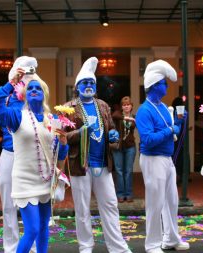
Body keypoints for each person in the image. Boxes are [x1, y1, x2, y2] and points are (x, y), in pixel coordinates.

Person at [0, 69, 68, 253]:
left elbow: (59, 154)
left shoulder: (52, 119)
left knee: (42, 229)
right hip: (24, 182)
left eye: (38, 88)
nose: (34, 90)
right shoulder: (17, 116)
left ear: (44, 93)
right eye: (30, 88)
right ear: (24, 94)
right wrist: (11, 83)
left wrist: (63, 143)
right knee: (31, 229)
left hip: (45, 181)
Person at [63, 57, 132, 253]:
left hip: (103, 164)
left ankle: (117, 247)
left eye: (91, 83)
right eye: (85, 83)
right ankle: (85, 247)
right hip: (80, 166)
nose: (88, 86)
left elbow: (111, 132)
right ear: (77, 86)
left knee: (110, 205)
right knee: (82, 209)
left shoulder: (103, 105)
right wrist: (83, 130)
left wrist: (113, 135)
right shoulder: (69, 107)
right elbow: (63, 137)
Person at [0, 56, 37, 253]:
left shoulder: (36, 96)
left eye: (29, 74)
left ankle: (30, 246)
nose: (26, 79)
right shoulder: (4, 97)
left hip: (31, 156)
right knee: (8, 206)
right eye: (21, 75)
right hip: (9, 154)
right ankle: (11, 247)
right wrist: (9, 85)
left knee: (32, 204)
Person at [135, 60, 189, 253]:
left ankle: (171, 239)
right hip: (152, 159)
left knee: (171, 201)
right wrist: (170, 130)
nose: (167, 86)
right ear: (154, 86)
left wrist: (180, 123)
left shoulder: (164, 107)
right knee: (155, 202)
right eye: (164, 83)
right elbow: (148, 139)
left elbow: (172, 131)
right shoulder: (144, 110)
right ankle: (152, 245)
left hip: (166, 158)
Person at [111, 96, 136, 203]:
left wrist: (130, 119)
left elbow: (136, 124)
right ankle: (120, 194)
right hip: (118, 147)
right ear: (121, 107)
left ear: (131, 106)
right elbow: (114, 115)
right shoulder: (118, 115)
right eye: (124, 105)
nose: (126, 106)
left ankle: (128, 194)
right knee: (119, 171)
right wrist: (125, 118)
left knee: (128, 171)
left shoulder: (134, 117)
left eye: (128, 104)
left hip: (130, 147)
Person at [171, 96, 187, 185]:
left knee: (176, 157)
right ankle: (178, 176)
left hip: (177, 137)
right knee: (178, 157)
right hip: (178, 137)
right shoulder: (175, 114)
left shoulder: (177, 113)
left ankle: (178, 176)